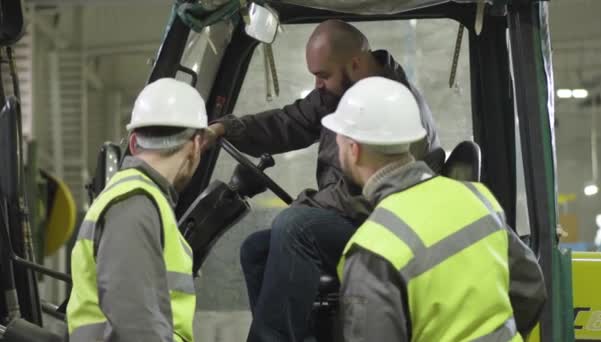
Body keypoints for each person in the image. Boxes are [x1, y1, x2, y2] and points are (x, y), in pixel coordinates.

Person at [201, 19, 440, 341]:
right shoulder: (344, 89)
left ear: (354, 63)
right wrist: (226, 128)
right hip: (356, 217)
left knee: (296, 225)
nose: (317, 85)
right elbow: (291, 121)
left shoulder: (396, 107)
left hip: (386, 225)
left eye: (322, 75)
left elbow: (372, 192)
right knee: (256, 249)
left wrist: (306, 205)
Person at [322, 77, 546, 341]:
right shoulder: (478, 198)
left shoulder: (374, 250)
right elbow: (530, 290)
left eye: (337, 143)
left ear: (353, 150)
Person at [67, 78, 209, 342]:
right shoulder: (135, 205)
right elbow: (134, 319)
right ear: (196, 145)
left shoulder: (142, 199)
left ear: (133, 143)